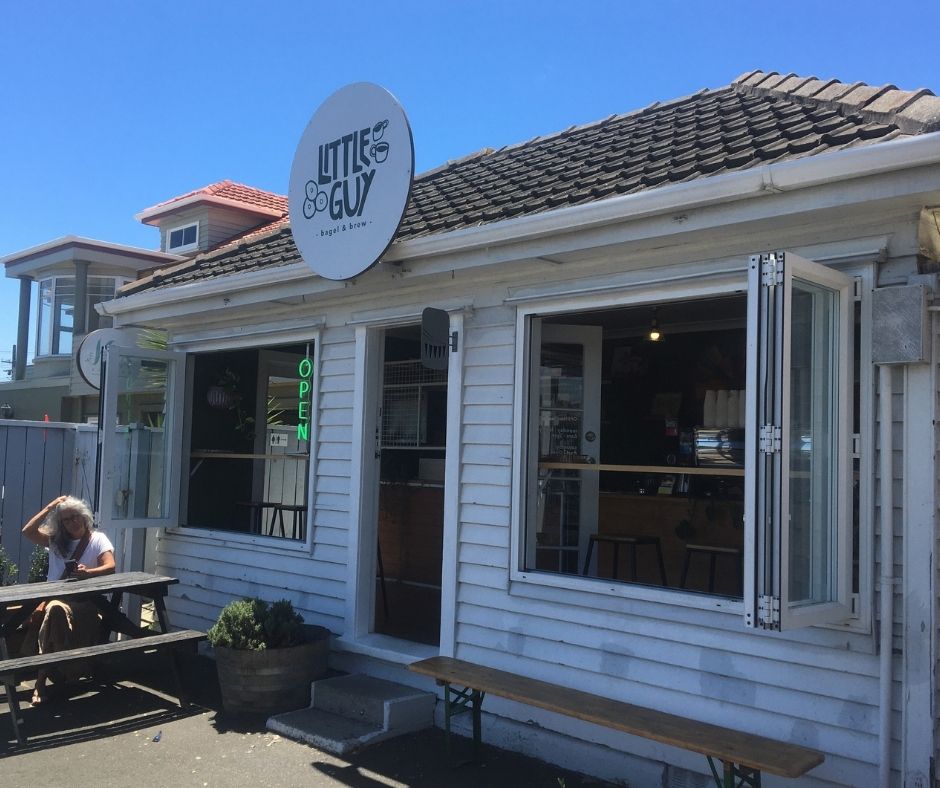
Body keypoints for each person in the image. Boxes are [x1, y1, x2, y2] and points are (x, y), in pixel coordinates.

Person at [20, 495, 115, 704]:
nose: (72, 522)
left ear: (84, 517)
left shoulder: (98, 539)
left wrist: (89, 572)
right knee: (54, 610)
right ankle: (55, 675)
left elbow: (110, 566)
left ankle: (40, 683)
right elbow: (27, 531)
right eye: (66, 519)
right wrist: (50, 506)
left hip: (86, 602)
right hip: (56, 599)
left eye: (75, 517)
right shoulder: (56, 540)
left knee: (54, 612)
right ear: (60, 523)